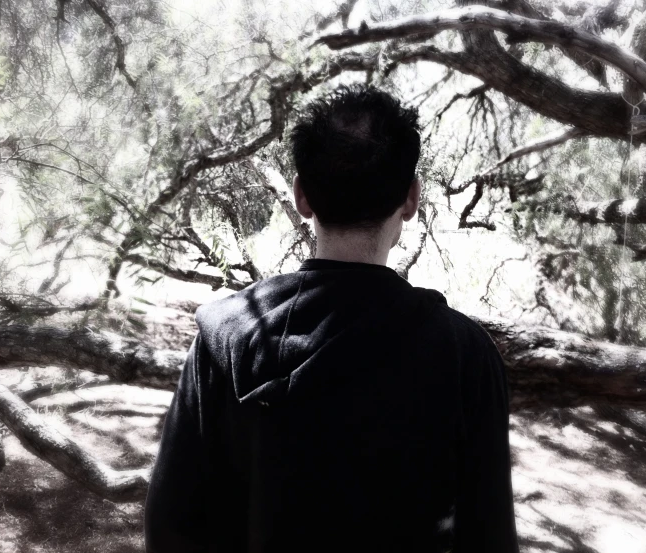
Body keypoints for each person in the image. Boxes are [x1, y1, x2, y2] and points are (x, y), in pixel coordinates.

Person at [144, 84, 519, 553]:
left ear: (302, 196)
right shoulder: (466, 355)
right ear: (411, 198)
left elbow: (171, 529)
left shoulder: (224, 338)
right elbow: (489, 538)